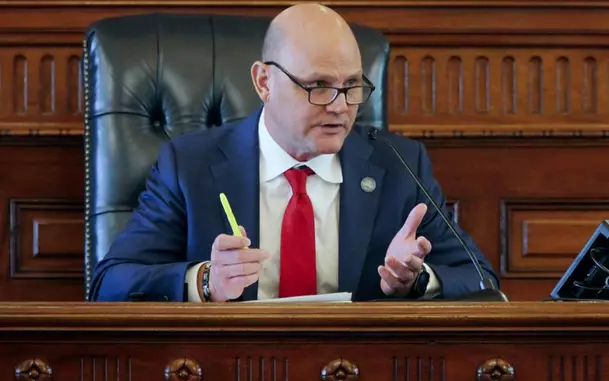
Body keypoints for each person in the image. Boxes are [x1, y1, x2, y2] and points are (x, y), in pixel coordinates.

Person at [89, 3, 499, 302]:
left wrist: (418, 281)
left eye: (353, 86)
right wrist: (204, 280)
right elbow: (110, 283)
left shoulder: (400, 166)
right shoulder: (190, 166)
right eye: (318, 86)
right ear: (264, 82)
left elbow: (482, 279)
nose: (340, 106)